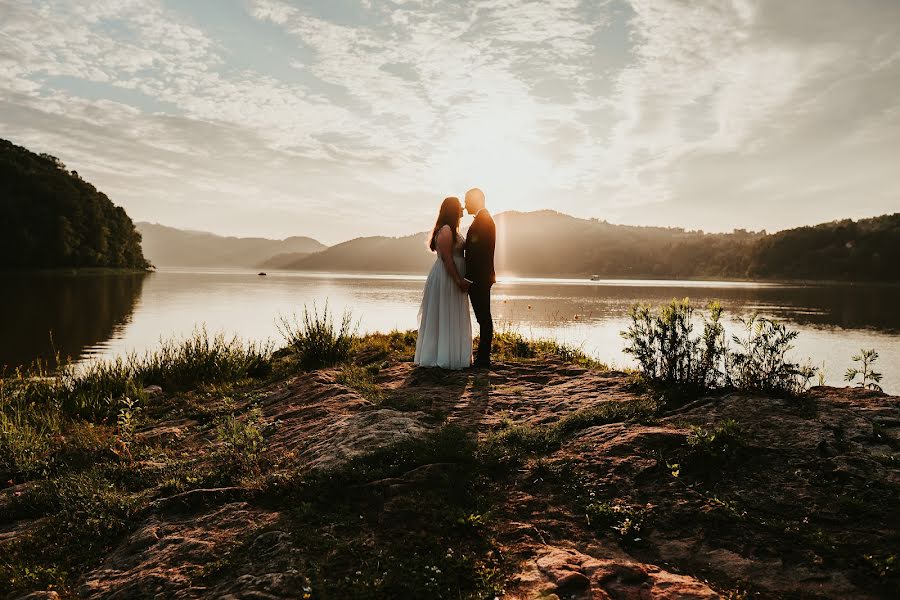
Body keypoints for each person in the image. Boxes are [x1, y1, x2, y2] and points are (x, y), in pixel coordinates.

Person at [413, 197, 473, 369]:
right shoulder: (446, 230)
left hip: (451, 276)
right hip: (447, 278)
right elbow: (447, 259)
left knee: (451, 313)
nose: (463, 208)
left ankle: (453, 354)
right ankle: (443, 357)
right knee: (445, 314)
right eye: (459, 206)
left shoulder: (453, 230)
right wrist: (458, 280)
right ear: (453, 210)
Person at [463, 187, 496, 368]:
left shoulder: (484, 221)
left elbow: (478, 254)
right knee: (483, 318)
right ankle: (483, 357)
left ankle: (483, 359)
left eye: (467, 200)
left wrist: (468, 279)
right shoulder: (483, 219)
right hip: (481, 277)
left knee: (484, 318)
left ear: (476, 200)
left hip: (479, 278)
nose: (465, 204)